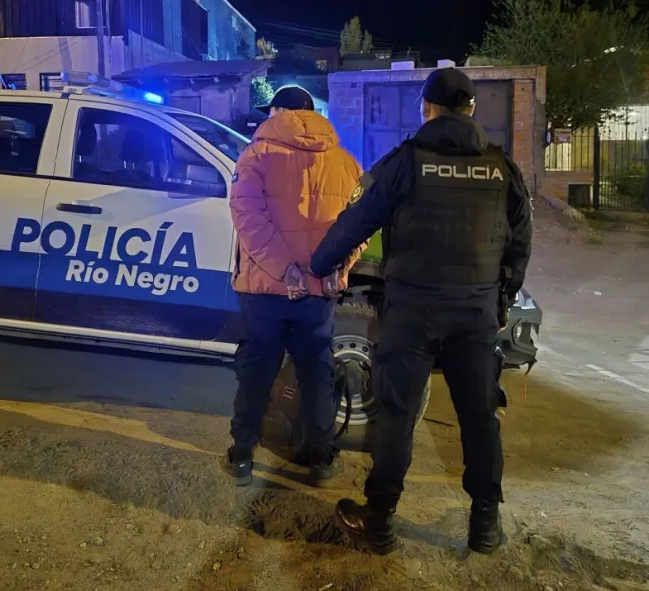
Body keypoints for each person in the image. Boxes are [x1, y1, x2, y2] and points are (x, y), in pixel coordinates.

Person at [310, 68, 533, 555]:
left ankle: (381, 520)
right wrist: (501, 299)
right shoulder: (501, 168)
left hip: (411, 314)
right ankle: (485, 526)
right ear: (471, 110)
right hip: (474, 314)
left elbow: (357, 220)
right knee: (479, 418)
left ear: (426, 108)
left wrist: (319, 263)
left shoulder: (406, 162)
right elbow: (520, 243)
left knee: (397, 415)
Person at [224, 85, 363, 487]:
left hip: (264, 290)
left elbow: (247, 218)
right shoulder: (347, 162)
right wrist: (340, 265)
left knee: (257, 373)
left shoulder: (256, 156)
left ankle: (242, 457)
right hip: (318, 292)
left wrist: (284, 269)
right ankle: (320, 459)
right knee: (317, 374)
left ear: (280, 111)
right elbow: (358, 226)